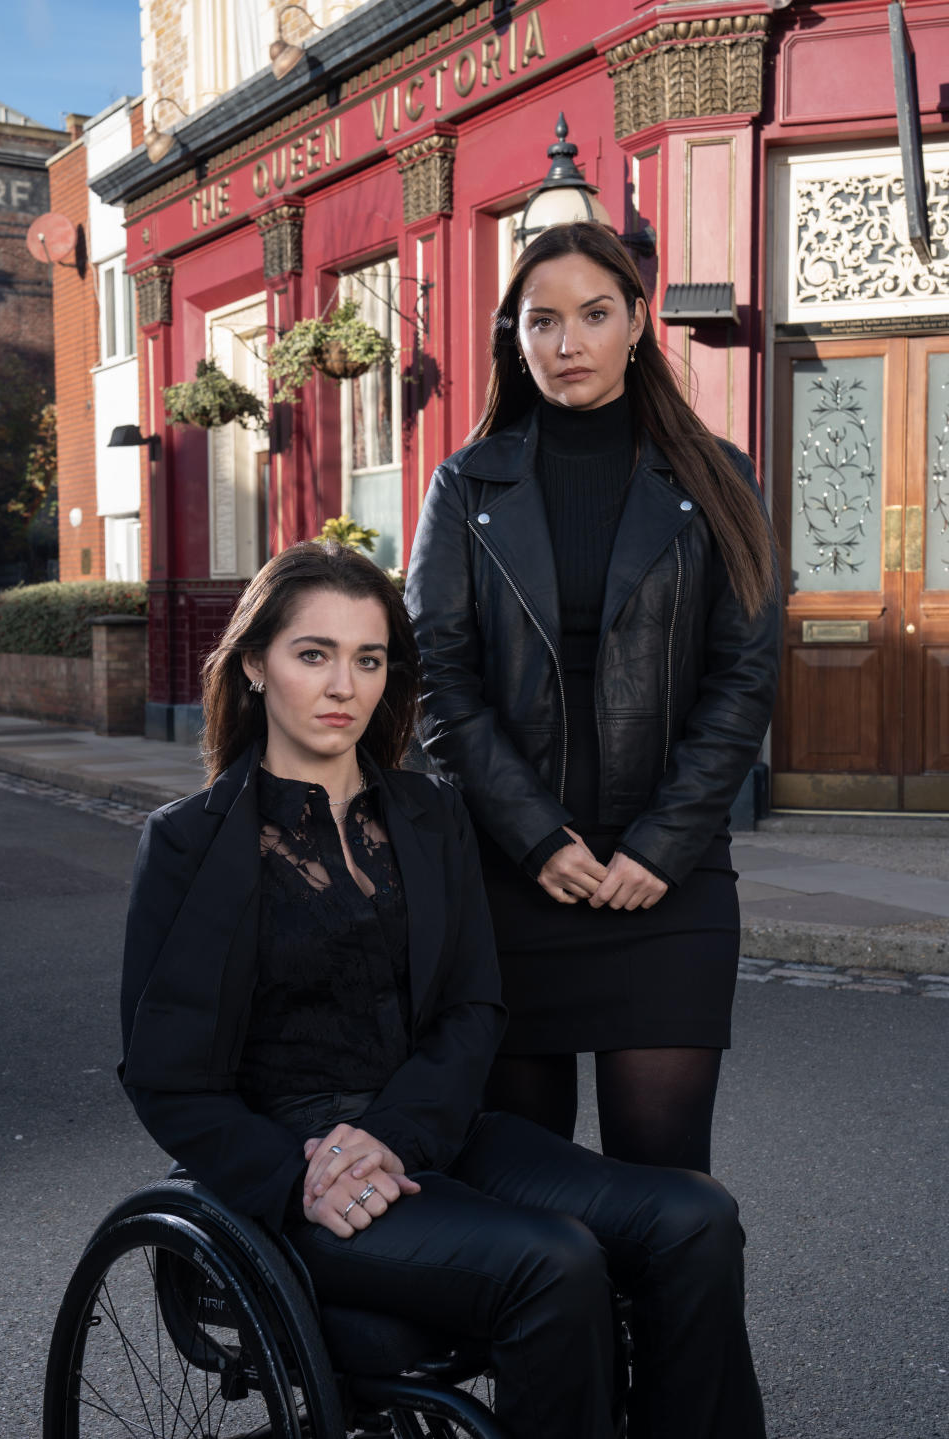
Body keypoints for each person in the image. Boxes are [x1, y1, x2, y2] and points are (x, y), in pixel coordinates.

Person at [120, 540, 767, 1439]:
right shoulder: (187, 843)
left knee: (696, 1216)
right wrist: (300, 1177)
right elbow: (167, 1076)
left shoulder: (431, 816)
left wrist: (391, 1133)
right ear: (258, 666)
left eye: (369, 658)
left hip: (436, 1130)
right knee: (557, 1262)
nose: (343, 684)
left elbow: (472, 1009)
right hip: (297, 1166)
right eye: (315, 654)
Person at [406, 221, 782, 1175]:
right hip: (508, 876)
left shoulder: (718, 477)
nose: (567, 343)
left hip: (672, 881)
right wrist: (536, 837)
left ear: (638, 322)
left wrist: (660, 845)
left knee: (666, 1188)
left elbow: (744, 676)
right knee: (529, 1196)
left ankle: (673, 1336)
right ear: (513, 336)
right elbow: (438, 679)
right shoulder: (465, 486)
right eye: (542, 321)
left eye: (594, 314)